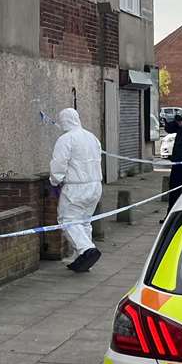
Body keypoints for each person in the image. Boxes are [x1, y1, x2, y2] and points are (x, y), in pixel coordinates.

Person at [49, 107, 103, 273]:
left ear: (64, 120)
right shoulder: (92, 137)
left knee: (68, 220)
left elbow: (59, 163)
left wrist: (54, 180)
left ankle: (87, 249)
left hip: (76, 187)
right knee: (84, 221)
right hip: (95, 185)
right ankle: (81, 257)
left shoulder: (66, 139)